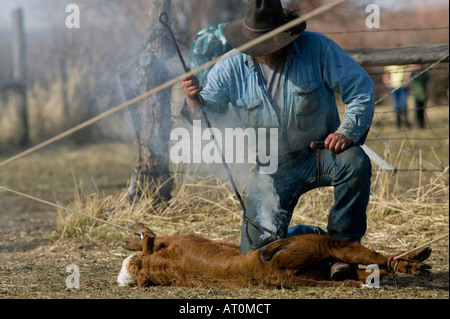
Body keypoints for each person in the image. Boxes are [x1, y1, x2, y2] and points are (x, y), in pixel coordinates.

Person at [181, 0, 375, 279]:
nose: (265, 49)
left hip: (320, 153)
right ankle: (311, 239)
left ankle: (342, 250)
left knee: (355, 162)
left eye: (271, 41)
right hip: (272, 166)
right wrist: (192, 101)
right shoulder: (228, 67)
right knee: (256, 259)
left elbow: (361, 89)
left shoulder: (318, 49)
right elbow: (208, 117)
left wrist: (346, 132)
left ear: (286, 34)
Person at [383, 65, 412, 129]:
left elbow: (409, 70)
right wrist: (387, 83)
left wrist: (407, 80)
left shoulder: (403, 63)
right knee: (396, 105)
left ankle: (405, 121)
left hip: (403, 87)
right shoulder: (390, 65)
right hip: (393, 87)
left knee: (403, 104)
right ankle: (398, 123)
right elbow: (386, 74)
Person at [408, 64, 430, 129]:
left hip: (423, 95)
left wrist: (429, 92)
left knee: (422, 110)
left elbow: (428, 84)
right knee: (416, 109)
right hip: (416, 95)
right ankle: (417, 123)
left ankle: (422, 124)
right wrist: (410, 69)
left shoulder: (425, 73)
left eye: (420, 65)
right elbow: (407, 79)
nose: (419, 66)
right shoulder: (413, 73)